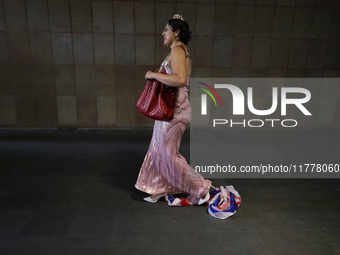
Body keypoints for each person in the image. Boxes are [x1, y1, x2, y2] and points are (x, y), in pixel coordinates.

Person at [134, 14, 215, 206]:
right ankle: (158, 189)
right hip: (169, 109)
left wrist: (153, 74)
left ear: (176, 32)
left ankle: (201, 188)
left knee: (168, 155)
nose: (163, 33)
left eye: (166, 29)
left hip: (174, 111)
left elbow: (179, 80)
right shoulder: (177, 51)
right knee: (157, 149)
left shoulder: (178, 50)